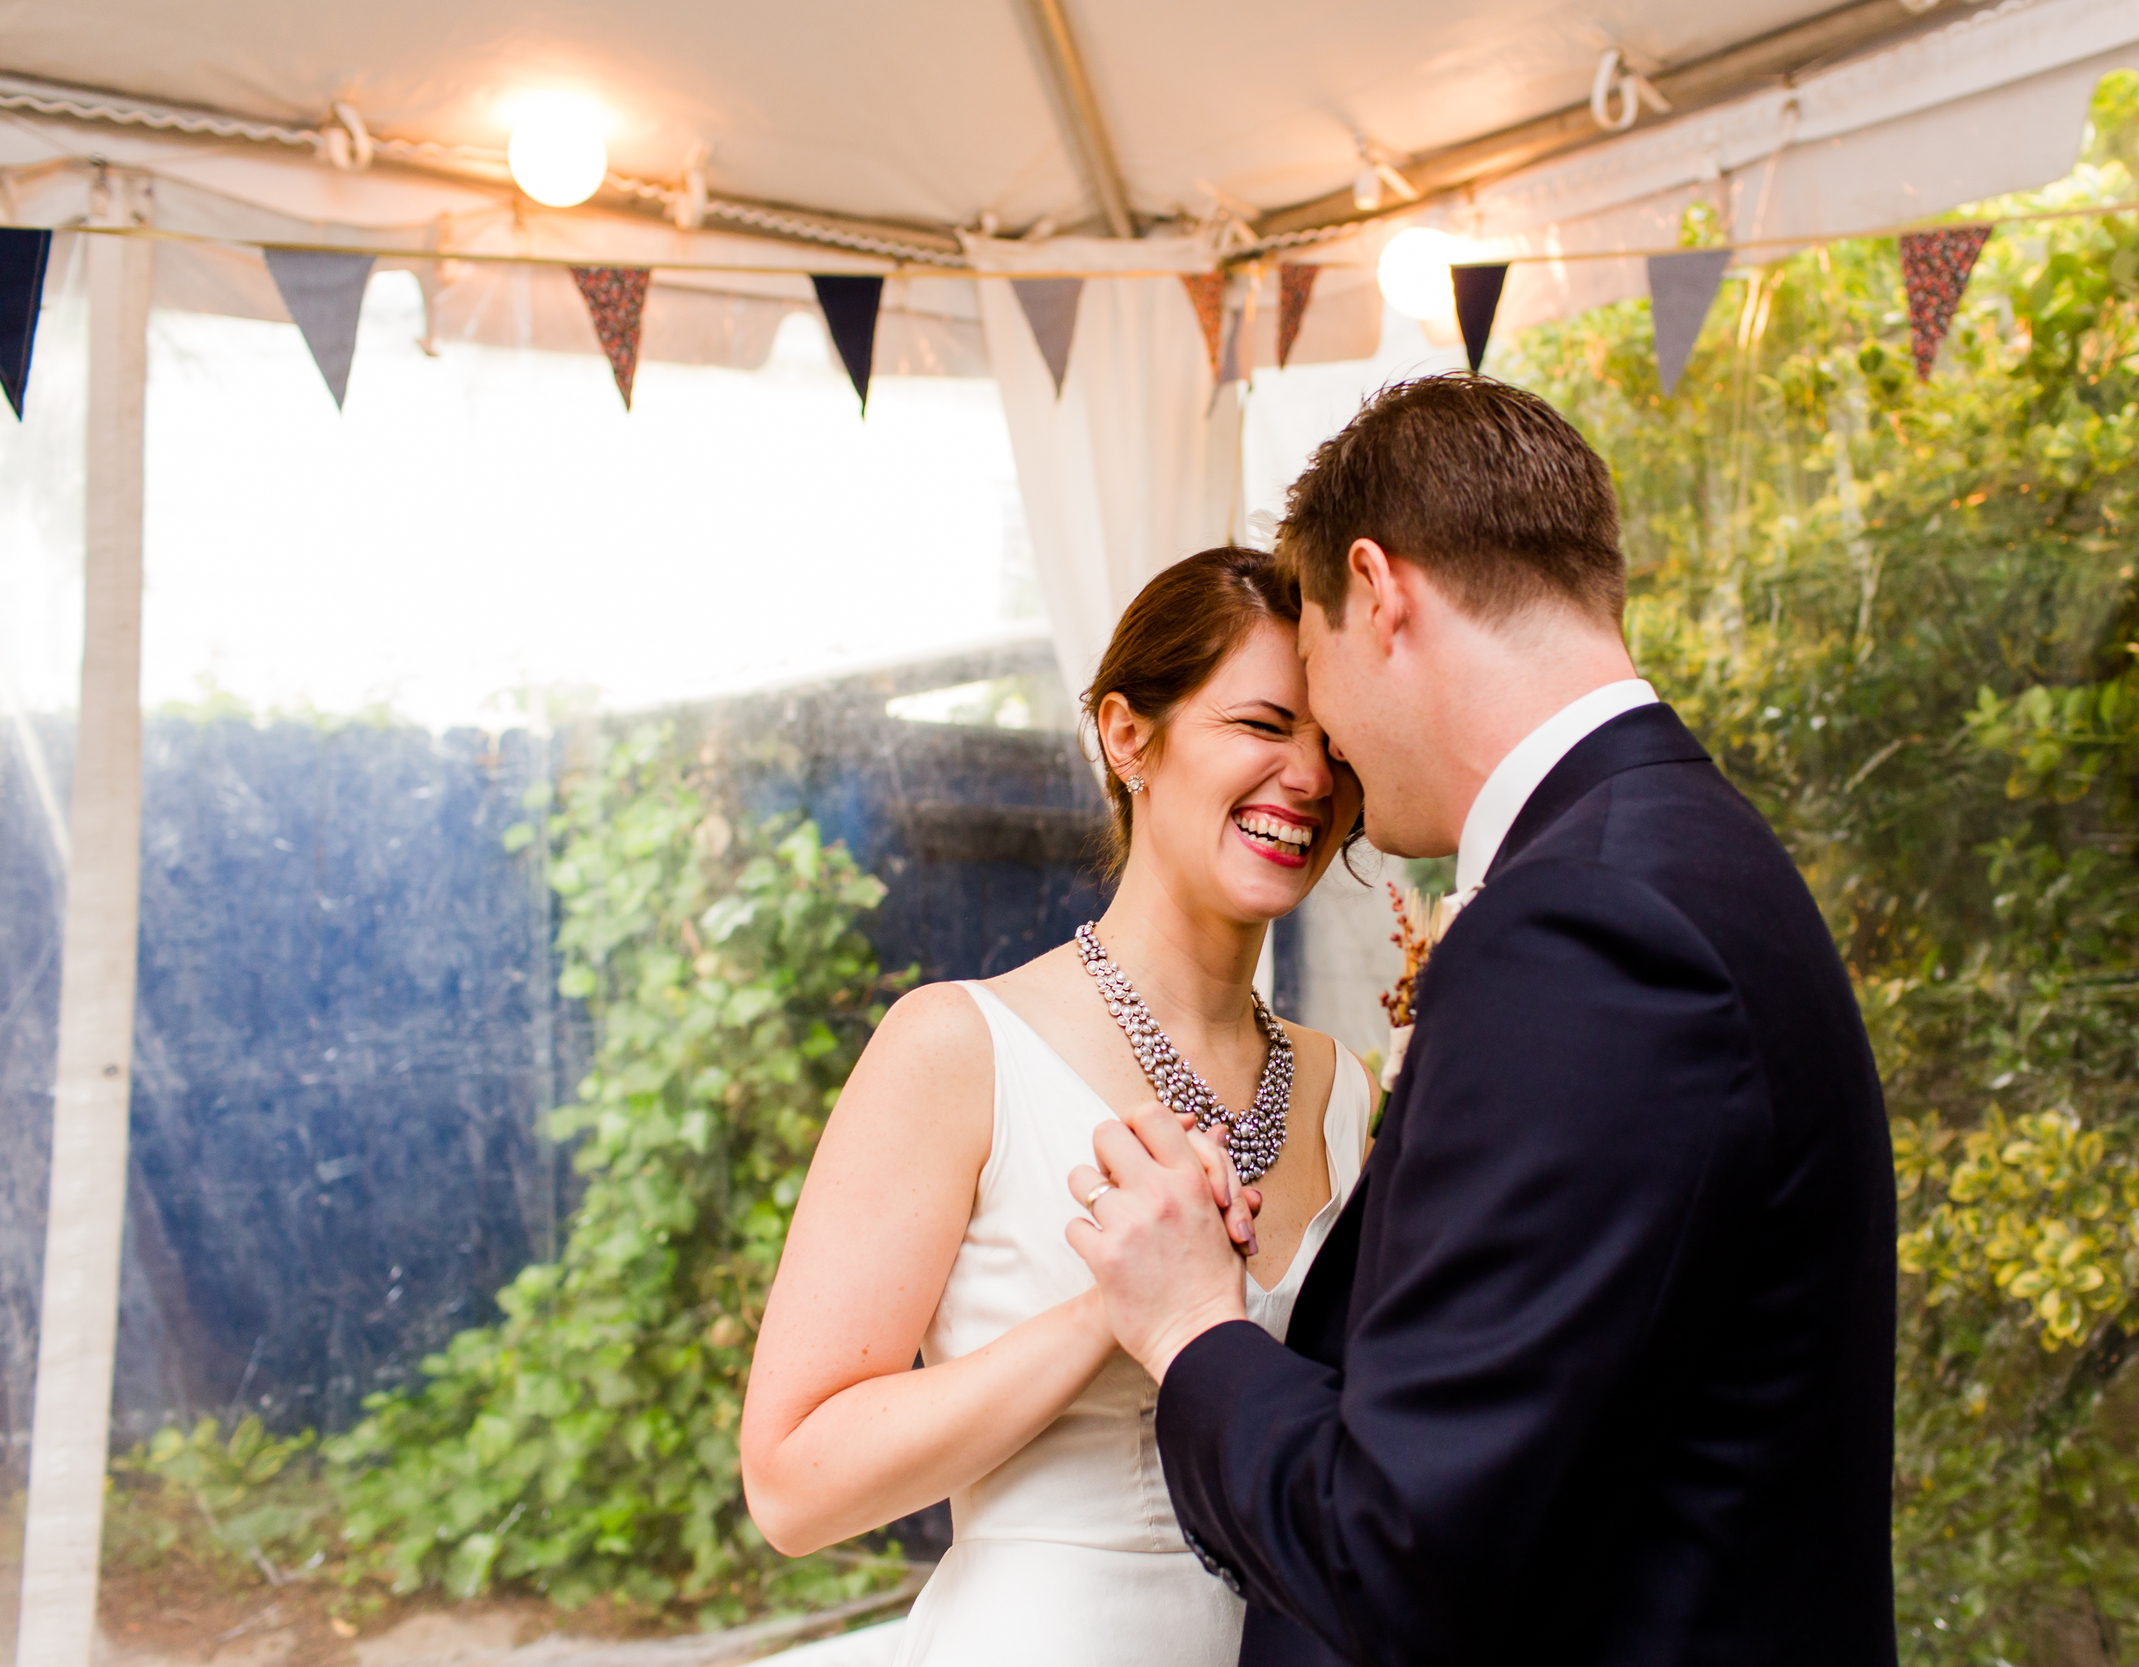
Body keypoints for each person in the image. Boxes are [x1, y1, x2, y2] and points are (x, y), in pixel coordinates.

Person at [1067, 375, 1900, 1666]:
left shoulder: (1581, 927)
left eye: (1317, 668)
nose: (1325, 752)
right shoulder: (1689, 852)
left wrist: (1189, 1320)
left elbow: (1400, 1543)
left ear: (1378, 591)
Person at [741, 546, 1374, 1667]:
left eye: (1334, 742)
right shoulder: (957, 1047)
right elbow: (793, 1484)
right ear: (1129, 735)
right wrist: (1114, 1309)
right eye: (1265, 725)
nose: (1310, 778)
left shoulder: (1343, 1090)